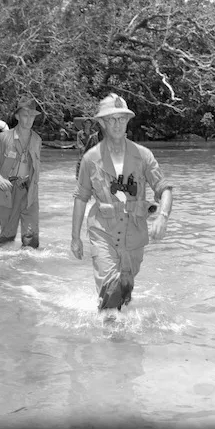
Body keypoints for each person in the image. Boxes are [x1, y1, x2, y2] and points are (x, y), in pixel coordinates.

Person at [70, 93, 173, 311]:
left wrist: (162, 217)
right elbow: (80, 198)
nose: (117, 124)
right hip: (103, 232)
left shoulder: (143, 155)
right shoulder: (90, 158)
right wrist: (75, 238)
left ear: (127, 121)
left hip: (134, 235)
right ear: (102, 123)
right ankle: (110, 340)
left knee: (124, 291)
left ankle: (120, 336)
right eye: (111, 119)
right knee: (111, 293)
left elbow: (164, 189)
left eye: (121, 118)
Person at [0, 97, 43, 248]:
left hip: (30, 190)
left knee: (31, 240)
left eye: (32, 116)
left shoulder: (37, 140)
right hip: (8, 190)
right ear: (17, 116)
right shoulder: (3, 138)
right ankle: (5, 270)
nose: (29, 119)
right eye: (25, 115)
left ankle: (29, 270)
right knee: (7, 238)